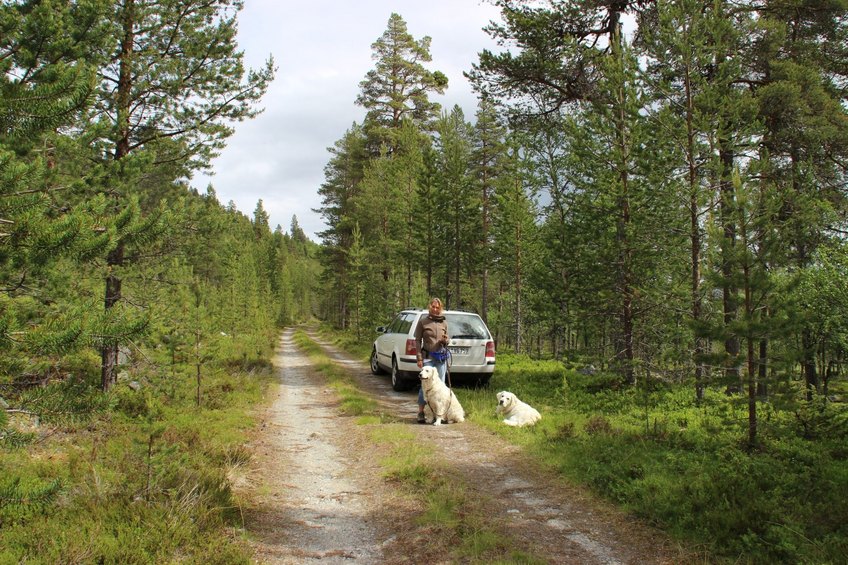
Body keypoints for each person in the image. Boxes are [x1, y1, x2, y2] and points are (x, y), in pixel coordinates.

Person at [414, 297, 450, 423]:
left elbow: (447, 340)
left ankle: (440, 414)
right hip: (428, 358)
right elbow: (417, 341)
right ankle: (421, 412)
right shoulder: (423, 322)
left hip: (440, 358)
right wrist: (419, 358)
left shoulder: (444, 323)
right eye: (433, 307)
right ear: (430, 307)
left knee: (441, 387)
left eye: (437, 307)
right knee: (425, 386)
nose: (435, 309)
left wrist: (445, 340)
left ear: (440, 308)